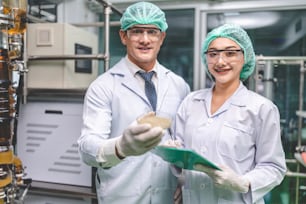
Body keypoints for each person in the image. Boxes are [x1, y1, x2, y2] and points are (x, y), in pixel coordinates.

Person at [77, 1, 190, 204]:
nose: (145, 40)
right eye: (137, 31)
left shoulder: (179, 85)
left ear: (162, 37)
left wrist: (183, 179)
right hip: (122, 195)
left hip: (166, 195)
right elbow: (87, 148)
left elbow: (184, 141)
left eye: (152, 32)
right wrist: (121, 147)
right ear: (123, 36)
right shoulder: (103, 86)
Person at [174, 24, 287, 203]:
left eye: (230, 53)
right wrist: (176, 165)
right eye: (213, 54)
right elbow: (179, 156)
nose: (220, 61)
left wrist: (242, 183)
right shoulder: (190, 102)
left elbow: (274, 167)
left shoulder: (261, 108)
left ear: (245, 58)